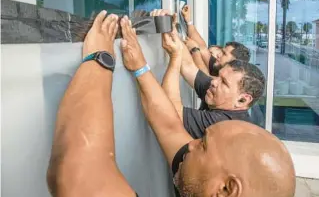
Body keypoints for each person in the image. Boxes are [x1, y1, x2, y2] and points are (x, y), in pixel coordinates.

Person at [46, 11, 295, 197]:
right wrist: (141, 66)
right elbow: (167, 125)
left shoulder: (226, 125)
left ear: (226, 189)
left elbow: (75, 176)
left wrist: (99, 59)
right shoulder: (213, 165)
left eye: (202, 144)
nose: (190, 144)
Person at [151, 9, 265, 139]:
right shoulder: (221, 92)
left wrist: (175, 55)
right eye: (219, 77)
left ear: (242, 100)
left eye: (224, 82)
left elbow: (170, 110)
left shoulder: (225, 124)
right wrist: (171, 30)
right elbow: (189, 67)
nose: (213, 81)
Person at [181, 5, 250, 76]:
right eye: (222, 51)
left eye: (224, 54)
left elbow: (206, 80)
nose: (218, 54)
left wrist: (195, 51)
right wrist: (188, 21)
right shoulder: (218, 64)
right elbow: (203, 48)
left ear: (234, 63)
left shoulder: (229, 80)